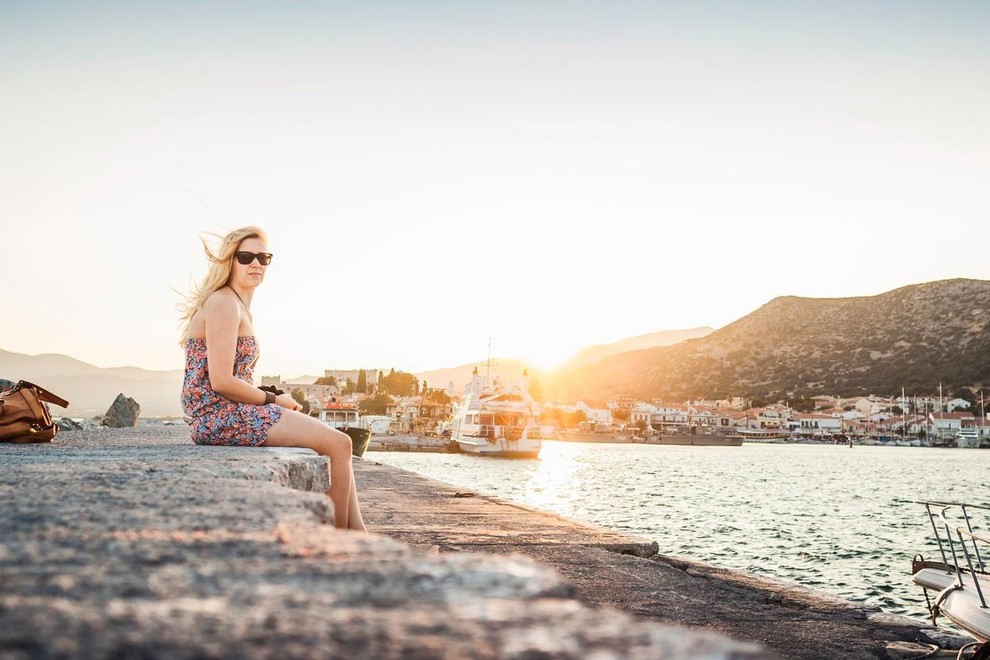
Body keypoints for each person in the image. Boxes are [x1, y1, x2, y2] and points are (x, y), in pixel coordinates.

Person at [179, 226, 366, 531]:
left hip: (231, 411)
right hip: (218, 416)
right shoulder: (224, 302)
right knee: (339, 444)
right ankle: (343, 542)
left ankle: (360, 537)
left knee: (340, 447)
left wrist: (263, 395)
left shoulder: (237, 304)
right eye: (246, 257)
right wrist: (273, 399)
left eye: (263, 258)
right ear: (229, 261)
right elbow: (222, 381)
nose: (256, 264)